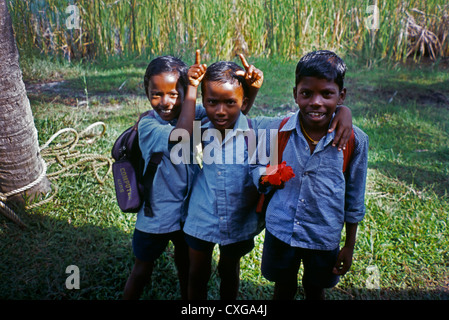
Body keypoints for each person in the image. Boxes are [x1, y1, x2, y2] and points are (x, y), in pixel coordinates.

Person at [252, 50, 369, 300]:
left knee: (316, 290)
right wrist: (266, 176)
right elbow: (238, 123)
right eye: (306, 93)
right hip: (281, 230)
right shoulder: (278, 129)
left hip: (323, 235)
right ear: (295, 94)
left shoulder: (355, 140)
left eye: (327, 94)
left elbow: (355, 197)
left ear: (341, 95)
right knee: (282, 288)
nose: (316, 102)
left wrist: (349, 245)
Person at [122, 55, 203, 300]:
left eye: (173, 94)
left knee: (185, 266)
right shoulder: (148, 125)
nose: (165, 102)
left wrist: (252, 90)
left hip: (186, 213)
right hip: (154, 216)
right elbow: (182, 135)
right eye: (156, 94)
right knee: (142, 269)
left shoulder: (190, 112)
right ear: (145, 91)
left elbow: (231, 113)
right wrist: (191, 89)